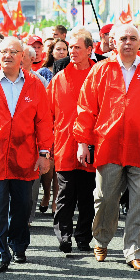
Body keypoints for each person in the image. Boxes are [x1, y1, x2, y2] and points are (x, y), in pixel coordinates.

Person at [74, 24, 140, 271]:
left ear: (139, 42)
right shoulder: (100, 70)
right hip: (108, 145)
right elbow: (86, 109)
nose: (127, 42)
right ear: (112, 42)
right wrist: (82, 142)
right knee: (105, 198)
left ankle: (135, 251)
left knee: (139, 202)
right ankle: (101, 239)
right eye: (123, 38)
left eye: (132, 38)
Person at [0, 37, 53, 273]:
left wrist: (44, 153)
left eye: (12, 52)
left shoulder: (35, 85)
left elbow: (44, 122)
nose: (6, 56)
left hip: (25, 155)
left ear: (22, 57)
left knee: (22, 206)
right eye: (2, 52)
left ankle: (18, 245)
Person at [47, 34, 96, 254]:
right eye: (70, 48)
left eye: (77, 47)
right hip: (65, 144)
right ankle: (64, 235)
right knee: (65, 194)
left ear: (90, 50)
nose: (73, 51)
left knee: (88, 195)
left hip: (93, 145)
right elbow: (48, 114)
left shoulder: (98, 74)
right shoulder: (59, 78)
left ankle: (83, 237)